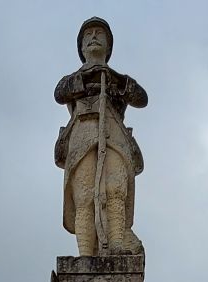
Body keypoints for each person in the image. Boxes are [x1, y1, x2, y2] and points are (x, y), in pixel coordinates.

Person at [54, 17, 148, 256]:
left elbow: (141, 98)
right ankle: (85, 256)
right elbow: (60, 93)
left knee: (116, 189)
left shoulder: (118, 79)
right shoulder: (73, 79)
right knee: (85, 195)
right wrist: (88, 77)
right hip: (83, 133)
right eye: (89, 34)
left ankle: (116, 247)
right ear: (82, 46)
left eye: (100, 33)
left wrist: (115, 79)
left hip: (114, 133)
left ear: (108, 45)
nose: (94, 36)